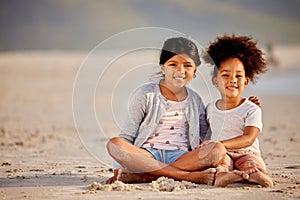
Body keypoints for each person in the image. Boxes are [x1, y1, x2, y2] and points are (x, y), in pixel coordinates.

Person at [105, 37, 227, 184]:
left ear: (195, 70)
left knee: (217, 149)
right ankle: (186, 176)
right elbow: (127, 136)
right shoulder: (146, 95)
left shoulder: (195, 100)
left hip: (181, 157)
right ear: (162, 67)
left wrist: (241, 105)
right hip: (147, 155)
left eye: (187, 65)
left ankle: (147, 175)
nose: (180, 70)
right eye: (173, 64)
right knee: (114, 144)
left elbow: (206, 136)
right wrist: (118, 167)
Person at [203, 34, 273, 187]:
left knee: (252, 164)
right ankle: (224, 176)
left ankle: (258, 175)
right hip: (222, 153)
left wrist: (219, 143)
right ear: (215, 81)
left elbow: (248, 138)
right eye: (225, 75)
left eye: (238, 76)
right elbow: (205, 134)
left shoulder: (251, 108)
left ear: (246, 81)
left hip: (246, 152)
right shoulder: (210, 108)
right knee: (220, 165)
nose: (232, 79)